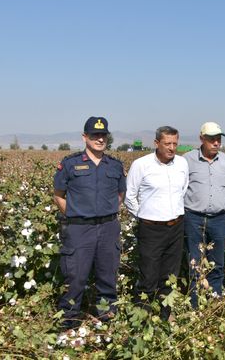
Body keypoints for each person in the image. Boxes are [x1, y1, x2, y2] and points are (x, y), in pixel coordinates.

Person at [53, 116, 126, 330]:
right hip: (79, 228)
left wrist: (105, 213)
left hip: (108, 227)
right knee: (75, 277)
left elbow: (120, 194)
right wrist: (76, 214)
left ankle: (106, 322)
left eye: (103, 135)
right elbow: (59, 194)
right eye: (95, 135)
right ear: (85, 137)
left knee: (107, 276)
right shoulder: (70, 163)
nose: (100, 139)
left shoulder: (114, 165)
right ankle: (69, 324)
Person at [124, 126, 189, 320]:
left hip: (176, 226)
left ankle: (165, 315)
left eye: (175, 144)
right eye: (167, 143)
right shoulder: (141, 165)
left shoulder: (182, 164)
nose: (171, 148)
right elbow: (130, 196)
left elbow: (182, 190)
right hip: (151, 229)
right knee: (148, 275)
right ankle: (143, 317)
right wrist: (145, 216)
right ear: (156, 143)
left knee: (170, 275)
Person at [183, 122, 225, 307]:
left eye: (218, 139)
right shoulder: (187, 160)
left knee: (217, 263)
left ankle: (215, 303)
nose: (216, 142)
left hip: (219, 219)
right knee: (194, 263)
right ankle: (194, 305)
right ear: (201, 139)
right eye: (212, 139)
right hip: (193, 218)